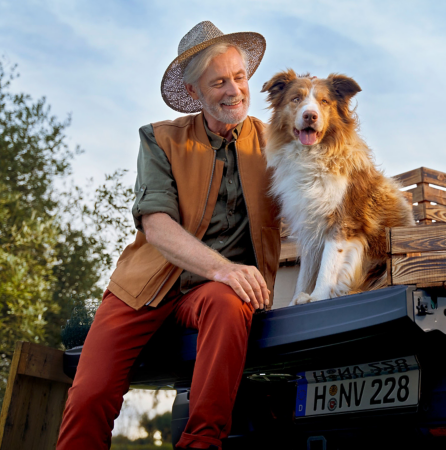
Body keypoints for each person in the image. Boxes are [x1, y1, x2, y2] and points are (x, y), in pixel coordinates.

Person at [56, 21, 281, 450]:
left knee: (231, 301)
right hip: (143, 288)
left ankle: (200, 445)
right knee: (90, 395)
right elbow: (156, 225)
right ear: (195, 93)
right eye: (219, 82)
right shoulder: (159, 138)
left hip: (211, 295)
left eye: (239, 76)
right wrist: (225, 268)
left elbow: (315, 194)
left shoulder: (275, 143)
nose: (234, 89)